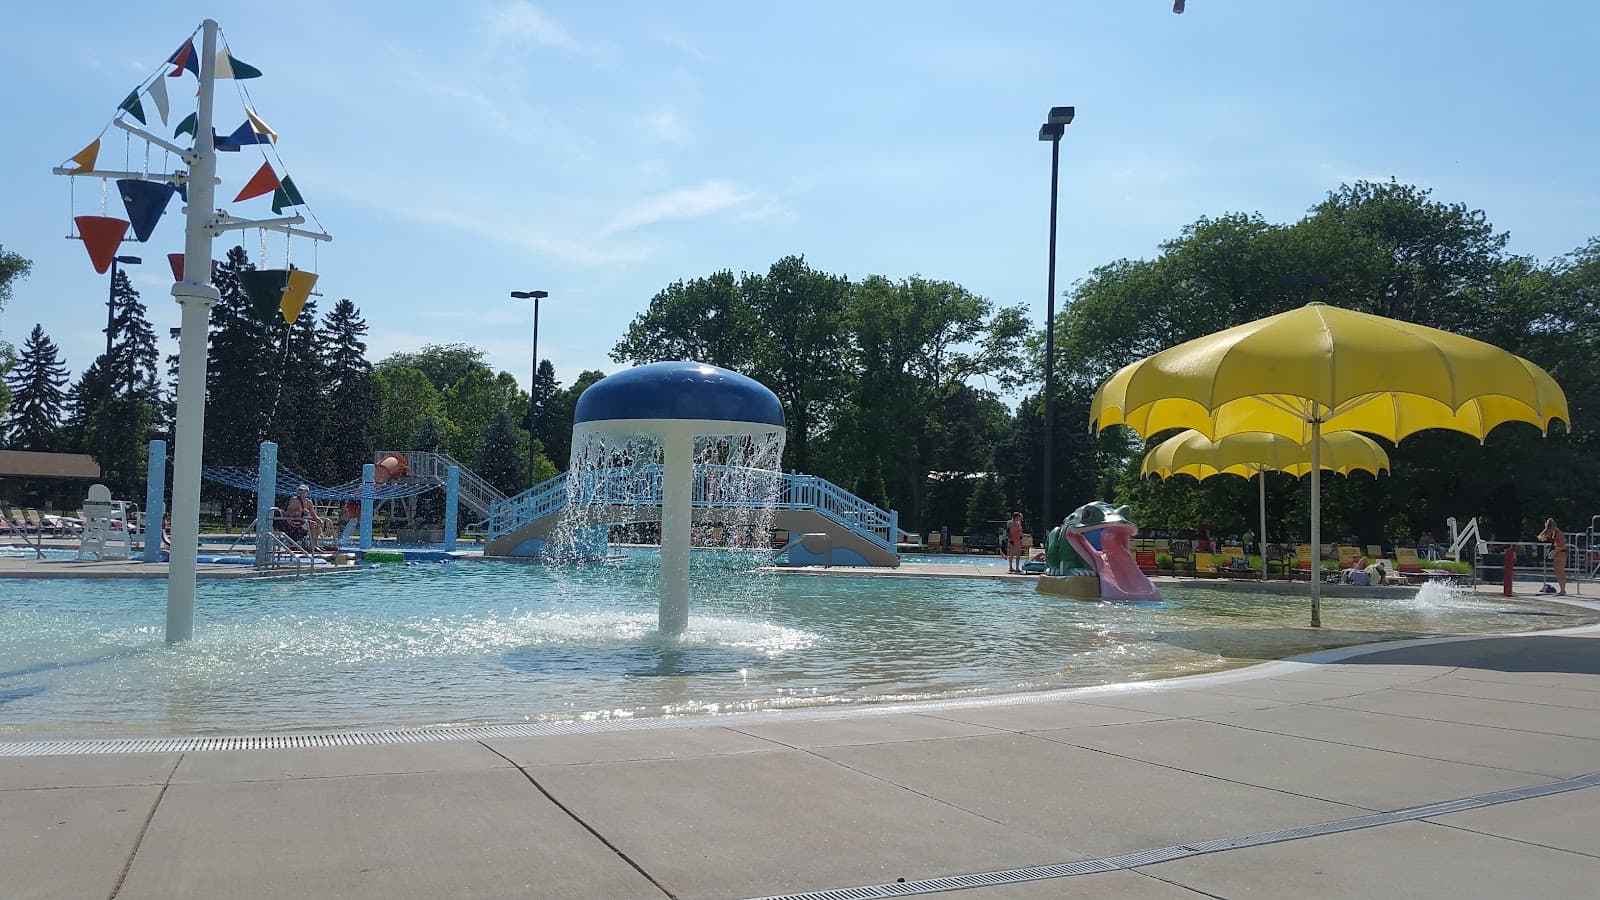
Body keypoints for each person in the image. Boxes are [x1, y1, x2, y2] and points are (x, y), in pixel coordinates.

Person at [1538, 518, 1568, 596]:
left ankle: (1563, 590)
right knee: (1557, 572)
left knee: (1560, 572)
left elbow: (1563, 546)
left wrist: (1554, 551)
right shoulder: (1554, 534)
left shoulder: (1559, 534)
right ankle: (1562, 590)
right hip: (1557, 554)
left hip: (1561, 553)